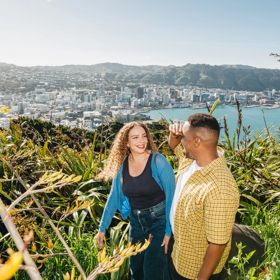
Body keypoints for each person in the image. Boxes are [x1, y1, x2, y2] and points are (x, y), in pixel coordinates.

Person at [96, 121, 175, 280]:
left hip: (159, 223)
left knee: (153, 272)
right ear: (127, 142)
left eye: (144, 136)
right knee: (136, 271)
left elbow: (172, 198)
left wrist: (168, 232)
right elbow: (113, 198)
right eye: (135, 137)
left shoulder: (158, 162)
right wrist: (102, 228)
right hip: (136, 225)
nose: (142, 141)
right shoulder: (123, 167)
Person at [168, 113, 240, 280]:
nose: (181, 141)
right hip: (178, 253)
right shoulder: (191, 161)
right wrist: (174, 135)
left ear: (197, 141)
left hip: (195, 271)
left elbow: (217, 244)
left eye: (183, 137)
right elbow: (174, 146)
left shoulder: (220, 188)